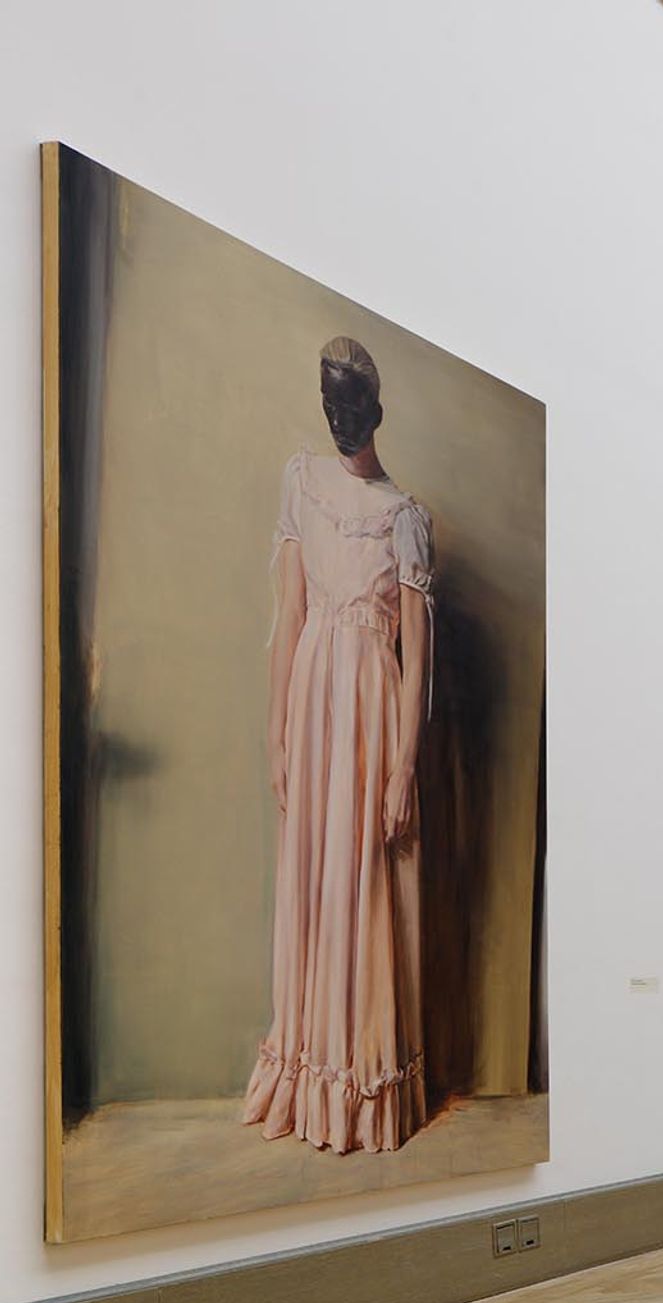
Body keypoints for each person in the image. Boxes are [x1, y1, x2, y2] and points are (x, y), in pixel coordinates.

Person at [245, 337, 434, 1153]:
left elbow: (418, 661)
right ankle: (304, 1070)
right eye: (329, 406)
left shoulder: (405, 518)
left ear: (377, 412)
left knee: (362, 883)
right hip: (315, 701)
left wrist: (402, 767)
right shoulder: (301, 483)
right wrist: (276, 730)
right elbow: (285, 619)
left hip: (370, 714)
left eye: (351, 408)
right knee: (313, 877)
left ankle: (357, 1088)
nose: (338, 421)